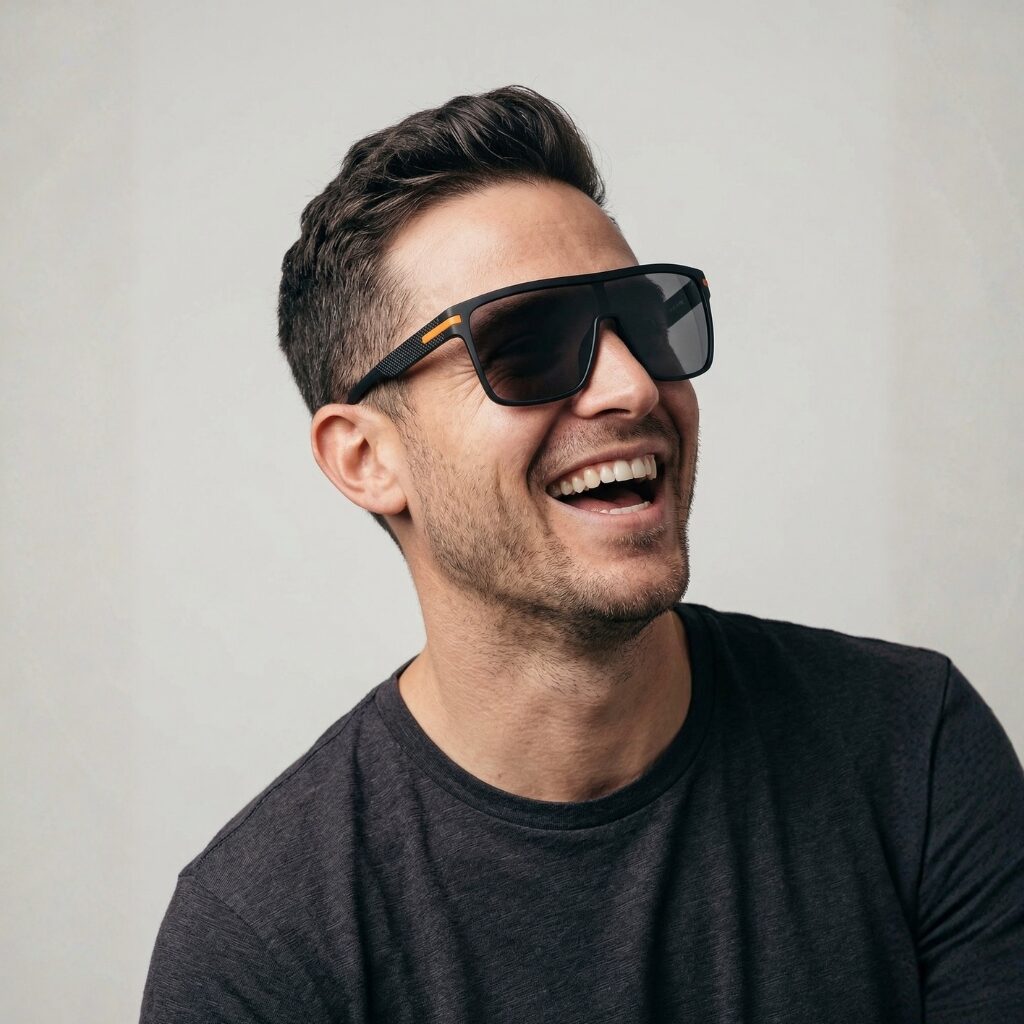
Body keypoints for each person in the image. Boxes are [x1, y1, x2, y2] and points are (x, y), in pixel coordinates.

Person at [139, 85, 1024, 1023]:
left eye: (644, 322)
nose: (633, 386)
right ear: (366, 459)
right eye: (525, 348)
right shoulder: (262, 946)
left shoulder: (914, 752)